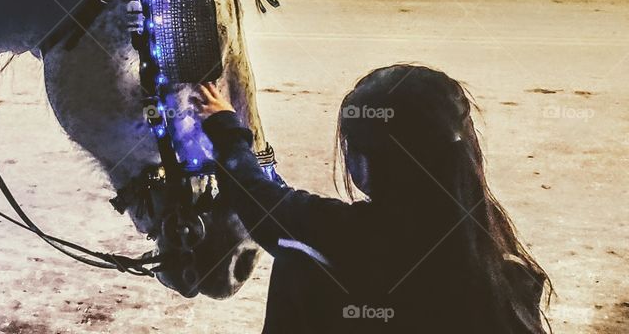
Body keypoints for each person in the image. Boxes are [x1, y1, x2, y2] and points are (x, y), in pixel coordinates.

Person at [192, 65, 550, 333]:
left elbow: (266, 205)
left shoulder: (348, 239)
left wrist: (227, 131)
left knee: (296, 263)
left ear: (368, 162)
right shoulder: (502, 265)